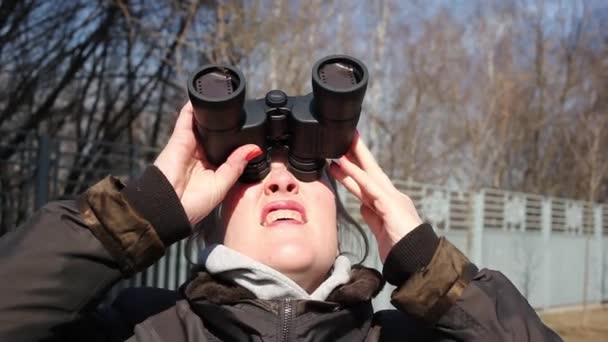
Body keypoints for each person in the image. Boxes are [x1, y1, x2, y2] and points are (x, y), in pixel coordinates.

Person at [0, 103, 561, 341]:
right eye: (249, 173)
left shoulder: (409, 338)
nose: (281, 179)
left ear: (343, 217)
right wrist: (136, 215)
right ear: (208, 223)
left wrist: (428, 266)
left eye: (306, 167)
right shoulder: (135, 329)